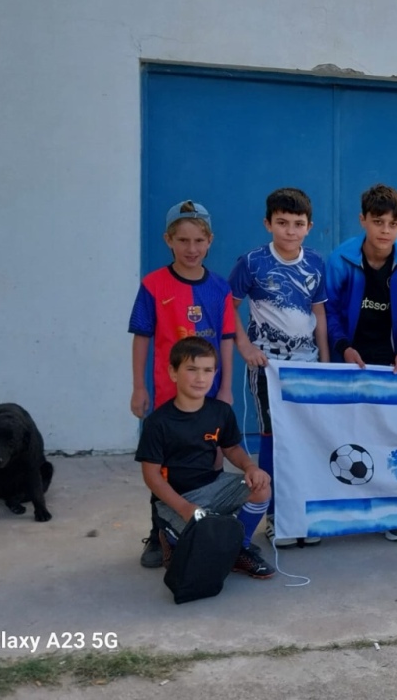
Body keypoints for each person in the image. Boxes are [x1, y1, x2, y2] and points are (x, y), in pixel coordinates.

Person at [128, 200, 236, 568]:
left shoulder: (220, 288)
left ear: (210, 241)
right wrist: (138, 387)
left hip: (209, 391)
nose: (192, 249)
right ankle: (159, 534)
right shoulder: (153, 285)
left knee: (212, 456)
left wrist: (226, 388)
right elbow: (142, 336)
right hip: (166, 392)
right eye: (183, 240)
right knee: (163, 465)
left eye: (199, 241)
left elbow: (226, 339)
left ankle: (207, 531)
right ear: (168, 240)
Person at [228, 187, 330, 549]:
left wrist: (326, 360)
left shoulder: (316, 263)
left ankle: (304, 513)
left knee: (306, 438)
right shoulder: (252, 262)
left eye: (298, 224)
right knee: (273, 437)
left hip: (307, 366)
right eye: (282, 223)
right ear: (267, 223)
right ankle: (274, 516)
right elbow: (230, 305)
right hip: (268, 366)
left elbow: (319, 313)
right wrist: (244, 345)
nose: (290, 230)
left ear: (309, 227)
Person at [325, 183, 397, 542]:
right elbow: (332, 311)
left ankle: (392, 513)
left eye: (393, 223)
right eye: (378, 221)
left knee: (388, 432)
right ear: (362, 220)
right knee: (348, 433)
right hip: (349, 354)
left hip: (390, 358)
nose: (385, 230)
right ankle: (346, 508)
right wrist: (342, 346)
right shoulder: (340, 259)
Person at [135, 336, 275, 579]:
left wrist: (250, 467)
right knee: (197, 559)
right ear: (173, 372)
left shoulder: (220, 411)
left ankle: (238, 549)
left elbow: (232, 449)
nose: (200, 378)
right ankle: (169, 538)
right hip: (177, 500)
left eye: (207, 370)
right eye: (192, 369)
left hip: (213, 486)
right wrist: (184, 507)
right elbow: (151, 476)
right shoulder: (157, 423)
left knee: (261, 487)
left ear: (214, 373)